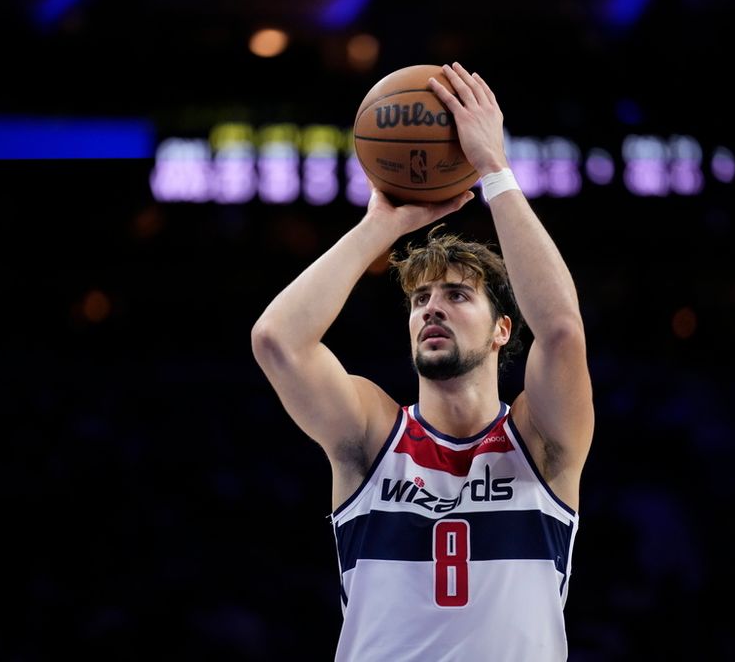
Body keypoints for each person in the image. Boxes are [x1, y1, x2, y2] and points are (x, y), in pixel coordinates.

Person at [251, 62, 594, 661]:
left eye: (457, 295)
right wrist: (379, 224)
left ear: (501, 331)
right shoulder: (371, 436)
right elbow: (277, 339)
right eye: (419, 299)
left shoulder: (541, 444)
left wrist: (494, 170)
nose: (431, 309)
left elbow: (562, 330)